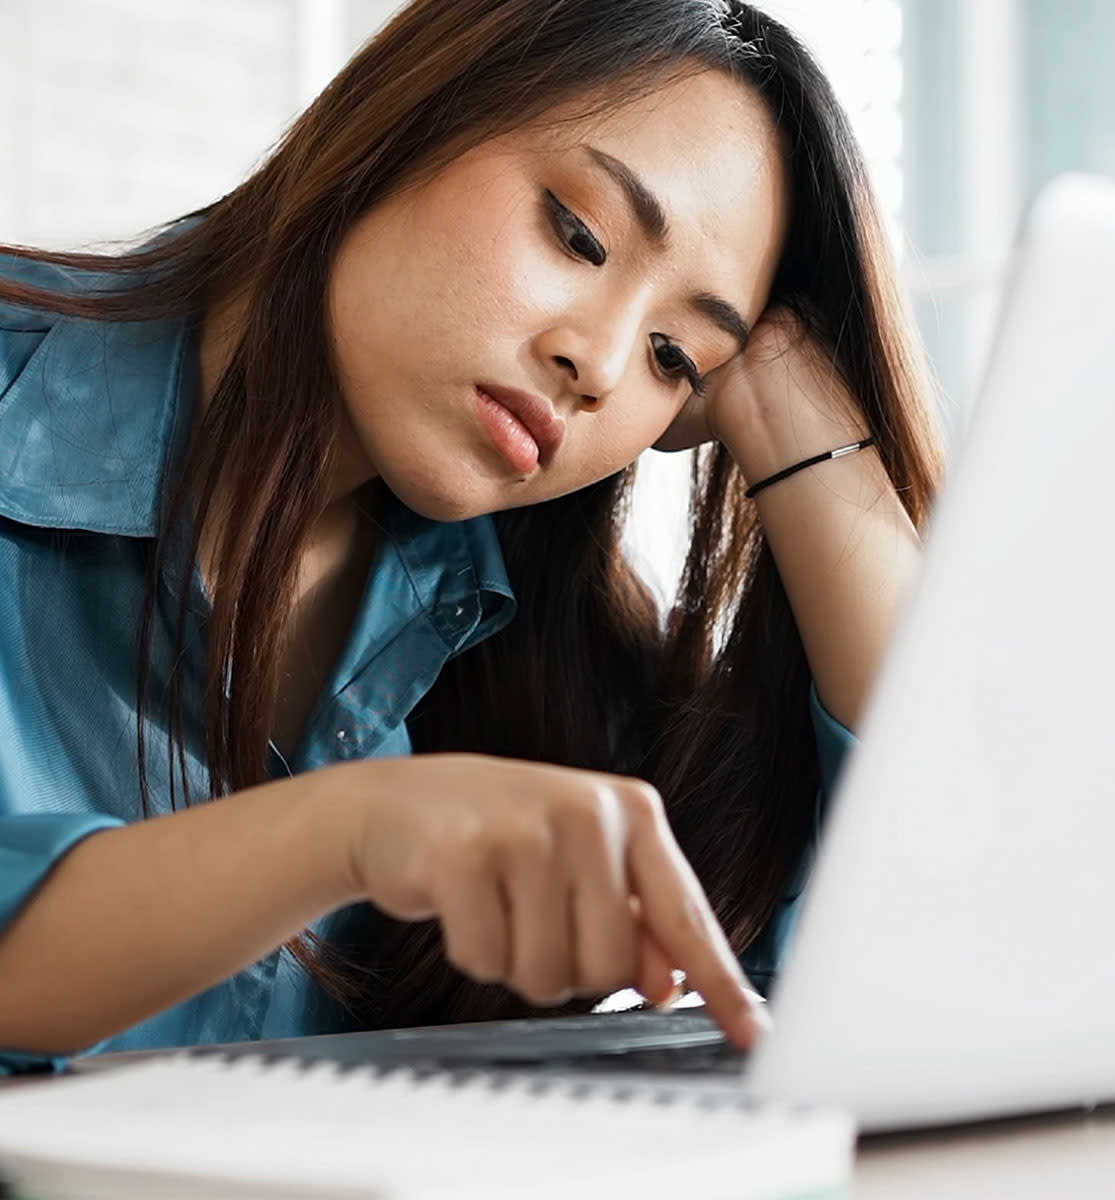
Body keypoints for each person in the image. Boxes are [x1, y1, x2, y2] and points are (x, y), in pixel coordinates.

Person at [0, 0, 941, 1075]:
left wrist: (810, 444)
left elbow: (928, 951)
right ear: (410, 119)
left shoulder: (546, 661)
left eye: (675, 358)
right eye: (578, 235)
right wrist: (353, 829)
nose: (600, 362)